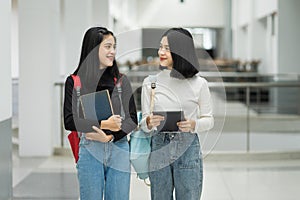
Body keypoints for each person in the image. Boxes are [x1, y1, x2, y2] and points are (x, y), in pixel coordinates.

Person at [63, 27, 137, 200]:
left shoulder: (121, 80)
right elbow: (69, 121)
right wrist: (104, 125)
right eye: (108, 46)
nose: (113, 51)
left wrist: (110, 136)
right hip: (89, 150)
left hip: (119, 149)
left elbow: (132, 119)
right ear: (93, 48)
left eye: (114, 47)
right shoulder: (74, 82)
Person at [141, 27, 214, 200]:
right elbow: (144, 124)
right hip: (159, 146)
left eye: (167, 48)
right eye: (160, 47)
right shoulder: (150, 82)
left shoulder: (199, 84)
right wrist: (149, 122)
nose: (161, 52)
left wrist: (194, 124)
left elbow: (209, 119)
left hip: (188, 147)